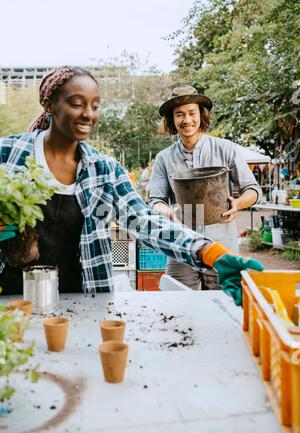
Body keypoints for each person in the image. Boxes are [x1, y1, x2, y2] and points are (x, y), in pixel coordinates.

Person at [0, 68, 263, 304]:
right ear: (49, 105)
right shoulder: (9, 154)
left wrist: (211, 252)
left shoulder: (104, 171)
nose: (88, 114)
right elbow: (158, 202)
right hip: (11, 295)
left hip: (82, 298)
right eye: (77, 104)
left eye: (95, 105)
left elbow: (146, 221)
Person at [149, 85, 262, 290]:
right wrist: (167, 211)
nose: (186, 120)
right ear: (172, 120)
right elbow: (155, 200)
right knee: (179, 308)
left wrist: (237, 203)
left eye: (192, 113)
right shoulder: (164, 158)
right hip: (180, 246)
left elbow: (253, 190)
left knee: (225, 306)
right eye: (179, 114)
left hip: (221, 244)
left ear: (201, 114)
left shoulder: (225, 148)